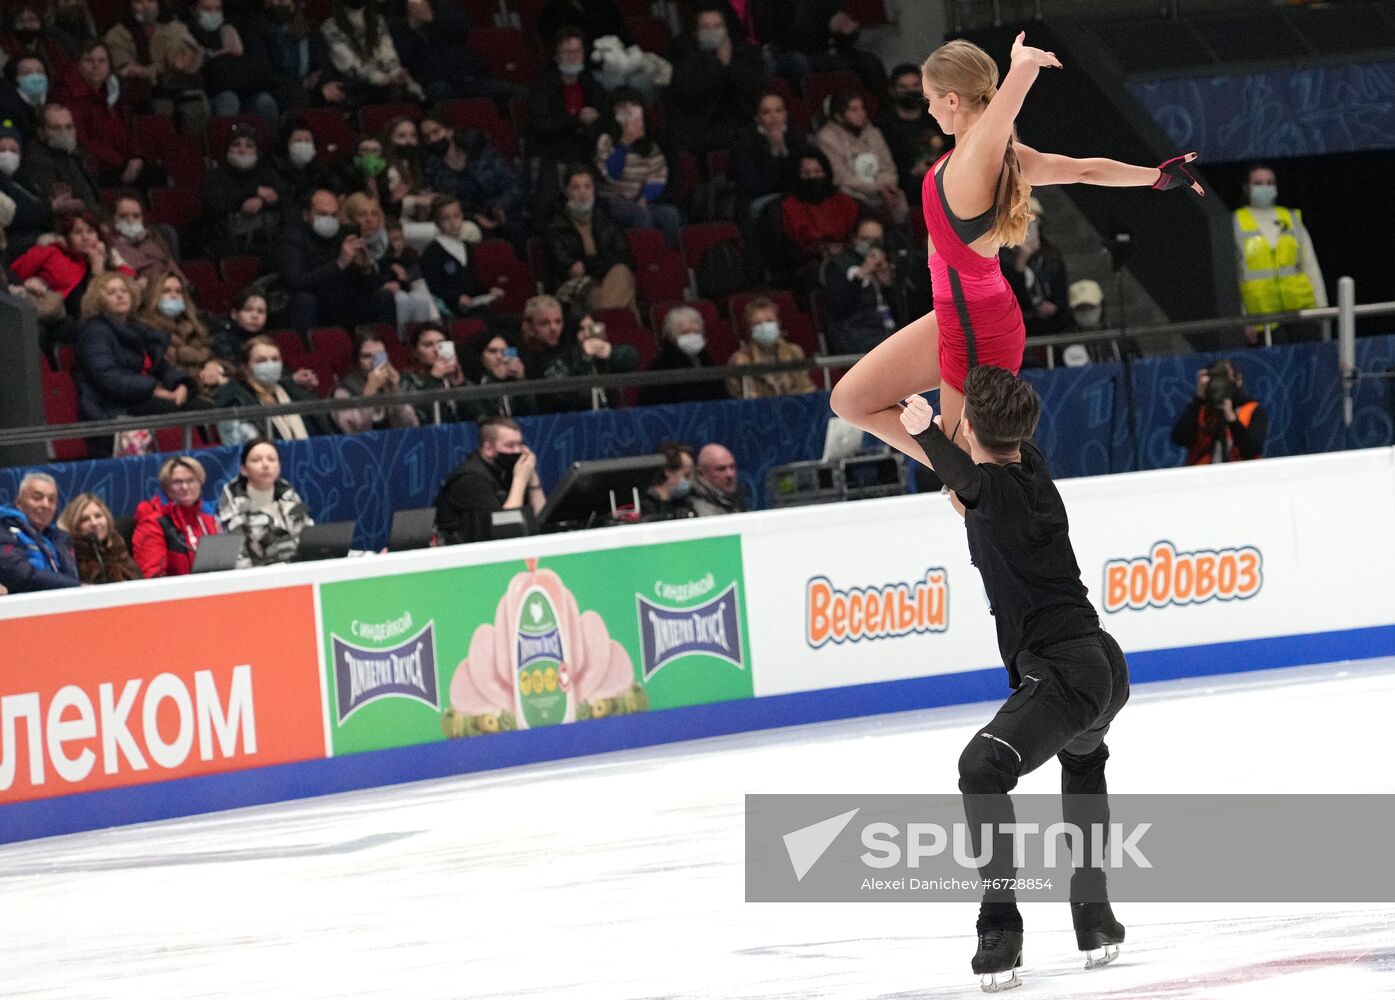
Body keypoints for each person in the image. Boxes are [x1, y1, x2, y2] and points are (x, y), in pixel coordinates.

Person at [830, 33, 1204, 474]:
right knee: (851, 400)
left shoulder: (977, 156)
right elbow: (1083, 169)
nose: (927, 109)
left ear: (952, 99)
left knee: (968, 494)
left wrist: (1022, 64)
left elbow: (1010, 106)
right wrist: (1158, 178)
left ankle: (966, 474)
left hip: (975, 325)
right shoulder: (1001, 156)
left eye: (930, 98)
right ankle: (957, 466)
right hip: (962, 312)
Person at [898, 366, 1129, 989]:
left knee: (982, 769)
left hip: (1066, 673)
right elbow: (973, 474)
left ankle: (1000, 925)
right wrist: (943, 437)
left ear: (966, 425)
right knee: (1082, 763)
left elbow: (969, 478)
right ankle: (1094, 914)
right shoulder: (1035, 472)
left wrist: (924, 430)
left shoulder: (992, 488)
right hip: (1103, 665)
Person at [73, 271, 200, 444]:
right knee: (169, 411)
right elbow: (108, 378)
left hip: (143, 397)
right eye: (111, 293)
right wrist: (154, 389)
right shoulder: (94, 333)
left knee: (202, 407)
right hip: (114, 407)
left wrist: (181, 384)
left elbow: (160, 365)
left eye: (124, 291)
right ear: (97, 300)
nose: (120, 295)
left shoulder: (137, 329)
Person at [1233, 163, 1327, 345]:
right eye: (1258, 183)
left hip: (1301, 313)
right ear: (1247, 188)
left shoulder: (1290, 218)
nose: (1265, 187)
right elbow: (1234, 275)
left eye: (1270, 183)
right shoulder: (1236, 222)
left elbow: (1310, 265)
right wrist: (1243, 319)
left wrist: (1322, 309)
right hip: (1262, 319)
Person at [279, 187, 396, 334]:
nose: (329, 219)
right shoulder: (293, 238)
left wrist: (365, 268)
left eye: (334, 215)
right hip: (316, 300)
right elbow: (295, 282)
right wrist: (339, 264)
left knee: (383, 296)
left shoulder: (346, 233)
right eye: (322, 214)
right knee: (304, 300)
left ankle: (384, 350)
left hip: (343, 301)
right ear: (306, 215)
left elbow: (370, 285)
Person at [667, 4, 762, 155]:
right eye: (706, 27)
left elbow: (752, 91)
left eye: (718, 26)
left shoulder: (742, 54)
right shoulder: (683, 59)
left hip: (738, 126)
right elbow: (692, 96)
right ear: (696, 33)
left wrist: (730, 65)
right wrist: (719, 65)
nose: (713, 32)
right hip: (701, 129)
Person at [420, 116, 527, 249]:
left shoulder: (480, 151)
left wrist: (500, 207)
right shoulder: (431, 167)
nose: (432, 139)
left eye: (436, 132)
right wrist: (473, 217)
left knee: (516, 229)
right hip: (468, 217)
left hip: (505, 209)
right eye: (426, 137)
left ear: (449, 131)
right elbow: (443, 203)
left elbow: (513, 183)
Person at [434, 415, 544, 544]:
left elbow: (541, 519)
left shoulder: (507, 469)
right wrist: (520, 480)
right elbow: (507, 527)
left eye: (520, 444)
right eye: (510, 445)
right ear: (488, 449)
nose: (518, 451)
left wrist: (532, 477)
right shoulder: (470, 479)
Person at [545, 165, 638, 313]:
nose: (583, 192)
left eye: (587, 186)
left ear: (594, 189)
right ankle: (628, 331)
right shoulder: (556, 224)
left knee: (621, 272)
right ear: (566, 191)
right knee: (623, 297)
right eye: (576, 187)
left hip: (610, 278)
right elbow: (570, 268)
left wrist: (588, 264)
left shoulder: (606, 217)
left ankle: (608, 325)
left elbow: (624, 257)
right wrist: (604, 262)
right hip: (579, 286)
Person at [593, 86, 679, 247]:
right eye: (622, 106)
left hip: (637, 199)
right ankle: (644, 260)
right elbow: (610, 176)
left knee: (670, 214)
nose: (628, 110)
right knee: (640, 215)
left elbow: (657, 176)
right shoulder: (606, 140)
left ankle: (670, 260)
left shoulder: (650, 145)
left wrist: (646, 197)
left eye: (633, 104)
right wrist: (625, 142)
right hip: (611, 200)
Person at [340, 192, 436, 332]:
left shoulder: (388, 244)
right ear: (351, 219)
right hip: (360, 303)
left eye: (374, 214)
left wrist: (400, 282)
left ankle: (424, 343)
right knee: (398, 299)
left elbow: (403, 278)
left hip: (391, 296)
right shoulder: (345, 246)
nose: (370, 220)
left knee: (421, 300)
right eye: (362, 215)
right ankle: (395, 344)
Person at [213, 334, 329, 444]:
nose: (270, 365)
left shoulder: (294, 391)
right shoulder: (235, 399)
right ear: (245, 367)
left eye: (275, 359)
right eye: (261, 361)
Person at [216, 437, 314, 568]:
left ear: (279, 466)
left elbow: (309, 536)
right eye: (256, 460)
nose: (265, 465)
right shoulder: (231, 503)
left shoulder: (289, 495)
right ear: (244, 469)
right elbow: (236, 557)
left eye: (271, 459)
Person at [815, 88, 907, 224]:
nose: (861, 114)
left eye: (862, 108)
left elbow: (888, 166)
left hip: (881, 188)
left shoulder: (873, 132)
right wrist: (876, 187)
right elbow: (840, 177)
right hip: (851, 192)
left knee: (899, 197)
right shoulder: (827, 138)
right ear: (838, 116)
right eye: (853, 110)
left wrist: (887, 184)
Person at [318, 0, 423, 110]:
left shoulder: (378, 20)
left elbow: (388, 53)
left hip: (386, 80)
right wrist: (384, 79)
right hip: (356, 84)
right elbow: (350, 65)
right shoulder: (330, 27)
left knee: (411, 92)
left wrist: (396, 73)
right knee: (387, 93)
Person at [202, 122, 284, 258]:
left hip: (268, 240)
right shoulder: (216, 175)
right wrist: (254, 192)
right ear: (228, 149)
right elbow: (216, 204)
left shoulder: (267, 174)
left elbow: (284, 199)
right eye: (236, 145)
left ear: (257, 151)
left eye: (249, 146)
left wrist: (261, 202)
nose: (242, 150)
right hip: (225, 243)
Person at [132, 455, 222, 577]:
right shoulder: (152, 524)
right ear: (166, 487)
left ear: (200, 484)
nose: (185, 487)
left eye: (191, 480)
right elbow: (151, 576)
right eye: (177, 482)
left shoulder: (209, 519)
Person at [419, 196, 505, 323]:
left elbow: (472, 282)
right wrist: (456, 298)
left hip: (473, 306)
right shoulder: (432, 253)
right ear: (437, 222)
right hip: (452, 312)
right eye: (446, 219)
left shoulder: (467, 247)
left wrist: (488, 291)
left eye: (456, 216)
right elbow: (434, 286)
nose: (453, 223)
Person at [1171, 358, 1267, 466]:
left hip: (1242, 476)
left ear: (1238, 380)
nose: (1221, 385)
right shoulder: (1199, 409)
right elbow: (1180, 439)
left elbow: (1252, 450)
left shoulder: (1251, 410)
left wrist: (1232, 418)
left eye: (1226, 379)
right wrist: (1198, 399)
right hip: (1201, 476)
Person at [779, 146, 859, 271]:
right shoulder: (789, 206)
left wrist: (844, 248)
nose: (812, 177)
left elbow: (858, 235)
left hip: (849, 258)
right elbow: (789, 249)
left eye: (817, 172)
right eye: (806, 173)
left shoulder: (844, 201)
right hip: (809, 265)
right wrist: (820, 250)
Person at [877, 62, 945, 208]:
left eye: (915, 86)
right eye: (903, 87)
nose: (911, 91)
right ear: (893, 90)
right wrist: (913, 171)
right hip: (908, 186)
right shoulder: (885, 125)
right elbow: (885, 165)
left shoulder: (937, 117)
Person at [1000, 201, 1072, 339]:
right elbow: (1011, 298)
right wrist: (1021, 262)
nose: (1027, 228)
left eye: (1031, 222)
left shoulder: (1051, 255)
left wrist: (1055, 306)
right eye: (1021, 221)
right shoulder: (1004, 257)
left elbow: (1061, 291)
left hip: (1054, 325)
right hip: (1024, 327)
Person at [0, 471, 79, 592]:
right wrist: (76, 586)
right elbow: (19, 575)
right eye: (37, 498)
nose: (45, 505)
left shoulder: (61, 538)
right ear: (19, 502)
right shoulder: (4, 530)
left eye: (51, 499)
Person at [332, 327, 419, 434]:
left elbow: (410, 425)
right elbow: (352, 432)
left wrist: (395, 392)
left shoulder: (394, 383)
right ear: (356, 360)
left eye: (380, 356)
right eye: (366, 356)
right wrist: (369, 392)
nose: (374, 362)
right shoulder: (344, 391)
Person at [731, 89, 802, 219]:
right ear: (757, 118)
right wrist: (774, 153)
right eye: (766, 112)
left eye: (778, 111)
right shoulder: (745, 142)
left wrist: (785, 152)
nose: (774, 117)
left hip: (794, 195)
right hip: (761, 199)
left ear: (785, 115)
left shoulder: (796, 137)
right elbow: (756, 188)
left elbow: (804, 177)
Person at [726, 295, 816, 398]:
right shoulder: (740, 361)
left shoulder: (794, 352)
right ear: (750, 328)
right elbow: (740, 397)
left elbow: (806, 388)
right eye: (757, 323)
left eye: (769, 321)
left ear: (778, 323)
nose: (764, 327)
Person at [16, 102, 99, 213]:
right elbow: (55, 202)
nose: (64, 133)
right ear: (41, 133)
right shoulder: (37, 160)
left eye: (69, 127)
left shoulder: (75, 153)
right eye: (56, 128)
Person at [639, 305, 726, 406]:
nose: (692, 337)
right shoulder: (659, 367)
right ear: (671, 337)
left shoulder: (707, 360)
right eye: (685, 333)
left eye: (696, 332)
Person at [143, 269, 216, 381]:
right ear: (153, 295)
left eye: (179, 291)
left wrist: (213, 365)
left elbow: (211, 354)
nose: (174, 295)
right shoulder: (145, 329)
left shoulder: (194, 326)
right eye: (166, 291)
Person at [56, 491, 141, 584]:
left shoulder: (118, 548)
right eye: (85, 519)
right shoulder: (69, 556)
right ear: (74, 526)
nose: (94, 523)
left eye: (98, 516)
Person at [108, 191, 181, 283]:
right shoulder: (109, 244)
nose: (130, 221)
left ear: (143, 218)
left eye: (136, 216)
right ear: (113, 218)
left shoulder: (154, 238)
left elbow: (177, 275)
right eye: (123, 216)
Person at [400, 321, 466, 423]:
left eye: (441, 344)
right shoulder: (406, 380)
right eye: (428, 345)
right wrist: (433, 378)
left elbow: (476, 415)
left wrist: (461, 384)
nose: (436, 350)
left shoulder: (453, 378)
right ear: (415, 352)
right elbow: (418, 417)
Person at [465, 331, 538, 420]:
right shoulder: (470, 383)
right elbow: (483, 416)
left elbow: (531, 414)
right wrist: (494, 379)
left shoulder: (515, 380)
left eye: (504, 351)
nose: (499, 356)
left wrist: (520, 380)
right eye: (493, 351)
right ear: (481, 356)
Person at [211, 288, 271, 364]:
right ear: (234, 314)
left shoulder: (267, 339)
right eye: (248, 310)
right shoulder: (223, 338)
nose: (255, 316)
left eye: (260, 311)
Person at [641, 441, 697, 520]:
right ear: (668, 471)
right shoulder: (646, 506)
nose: (690, 482)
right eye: (686, 475)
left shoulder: (685, 503)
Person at [691, 443, 747, 515]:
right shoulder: (695, 508)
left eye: (732, 467)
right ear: (701, 474)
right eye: (721, 469)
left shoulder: (738, 498)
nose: (730, 474)